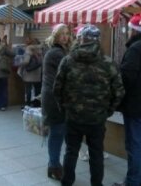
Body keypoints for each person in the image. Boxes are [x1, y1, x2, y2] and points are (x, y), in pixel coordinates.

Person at [53, 24, 125, 186]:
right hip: (97, 118)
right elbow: (119, 92)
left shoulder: (68, 60)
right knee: (96, 154)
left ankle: (67, 182)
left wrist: (64, 108)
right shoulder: (108, 63)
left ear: (81, 39)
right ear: (97, 40)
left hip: (73, 117)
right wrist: (108, 111)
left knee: (71, 151)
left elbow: (57, 89)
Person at [112, 13, 141, 186]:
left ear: (134, 30)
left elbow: (127, 77)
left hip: (136, 106)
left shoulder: (135, 49)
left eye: (130, 28)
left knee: (134, 146)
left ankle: (132, 182)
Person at [40, 23, 71, 181]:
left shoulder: (58, 51)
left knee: (57, 132)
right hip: (54, 98)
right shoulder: (57, 53)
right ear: (56, 35)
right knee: (57, 133)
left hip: (53, 96)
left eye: (67, 33)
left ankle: (53, 164)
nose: (65, 36)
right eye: (62, 34)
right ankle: (53, 165)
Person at [19, 37, 43, 107]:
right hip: (38, 73)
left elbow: (26, 61)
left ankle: (28, 104)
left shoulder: (29, 48)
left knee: (28, 89)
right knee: (37, 89)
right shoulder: (41, 49)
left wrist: (21, 65)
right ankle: (37, 103)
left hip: (29, 73)